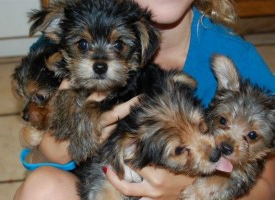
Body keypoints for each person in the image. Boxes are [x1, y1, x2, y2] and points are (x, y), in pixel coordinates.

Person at [14, 0, 275, 199]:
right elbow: (36, 155)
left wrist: (182, 189)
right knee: (41, 186)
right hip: (94, 187)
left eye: (119, 46)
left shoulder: (239, 59)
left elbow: (268, 187)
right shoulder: (64, 41)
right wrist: (49, 149)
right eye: (83, 46)